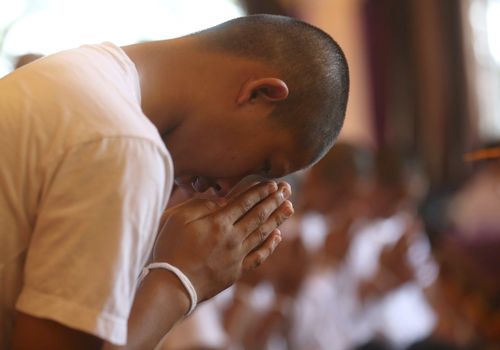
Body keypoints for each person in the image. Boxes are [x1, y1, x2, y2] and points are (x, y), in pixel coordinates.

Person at [0, 14, 349, 350]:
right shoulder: (126, 144)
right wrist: (180, 283)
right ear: (258, 94)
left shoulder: (81, 72)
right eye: (264, 165)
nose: (227, 190)